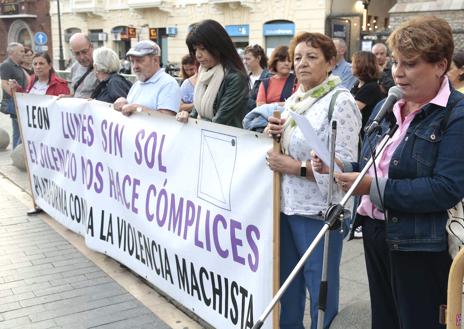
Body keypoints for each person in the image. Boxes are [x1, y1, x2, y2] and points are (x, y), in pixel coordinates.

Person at [319, 16, 464, 329]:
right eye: (396, 62)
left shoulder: (456, 113)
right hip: (374, 231)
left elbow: (445, 188)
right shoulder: (389, 106)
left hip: (420, 243)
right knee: (384, 320)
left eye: (410, 64)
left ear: (440, 65)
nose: (397, 72)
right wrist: (347, 170)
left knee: (418, 321)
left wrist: (371, 187)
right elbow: (374, 164)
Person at [265, 32, 361, 329]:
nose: (302, 63)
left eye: (312, 57)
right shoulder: (295, 99)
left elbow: (343, 166)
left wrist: (292, 166)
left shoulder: (340, 101)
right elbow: (286, 147)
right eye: (297, 58)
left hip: (318, 212)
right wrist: (274, 135)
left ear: (331, 62)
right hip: (286, 207)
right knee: (287, 288)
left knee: (320, 292)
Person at [176, 19, 249, 128]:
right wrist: (186, 116)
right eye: (195, 49)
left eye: (203, 48)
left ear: (218, 47)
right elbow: (196, 113)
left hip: (227, 140)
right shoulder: (204, 73)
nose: (198, 55)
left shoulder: (235, 78)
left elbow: (219, 122)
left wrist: (193, 122)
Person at [113, 40, 180, 116]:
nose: (135, 66)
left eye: (140, 61)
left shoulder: (168, 84)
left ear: (155, 60)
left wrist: (137, 108)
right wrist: (123, 102)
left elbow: (167, 119)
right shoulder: (138, 84)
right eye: (132, 61)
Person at [350, 51, 384, 136]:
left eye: (353, 63)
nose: (351, 65)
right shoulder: (358, 83)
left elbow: (351, 109)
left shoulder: (371, 87)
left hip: (366, 134)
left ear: (361, 65)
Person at [0, 42, 27, 149]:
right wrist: (16, 97)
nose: (23, 53)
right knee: (18, 130)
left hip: (20, 102)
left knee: (18, 129)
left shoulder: (17, 65)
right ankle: (16, 153)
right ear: (13, 53)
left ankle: (16, 153)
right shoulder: (7, 65)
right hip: (14, 102)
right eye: (21, 51)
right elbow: (4, 83)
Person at [69, 33, 98, 98]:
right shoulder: (74, 67)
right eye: (77, 53)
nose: (81, 57)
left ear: (92, 47)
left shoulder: (103, 66)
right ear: (72, 52)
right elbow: (74, 93)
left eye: (84, 52)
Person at [243, 44, 270, 110]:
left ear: (258, 58)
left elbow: (268, 104)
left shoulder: (268, 78)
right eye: (244, 59)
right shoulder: (245, 79)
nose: (244, 62)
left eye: (248, 59)